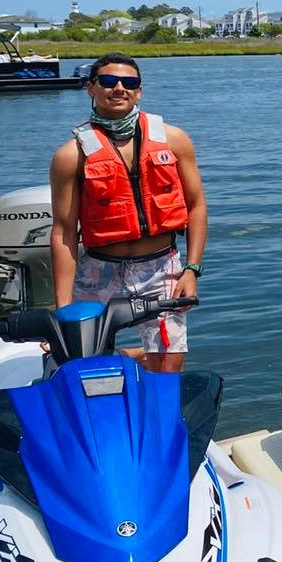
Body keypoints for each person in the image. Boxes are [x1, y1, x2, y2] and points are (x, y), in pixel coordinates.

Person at [50, 53, 207, 372]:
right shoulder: (70, 156)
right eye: (108, 81)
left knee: (168, 363)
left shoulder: (174, 140)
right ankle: (132, 358)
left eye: (129, 82)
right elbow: (64, 233)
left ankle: (153, 399)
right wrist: (62, 309)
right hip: (100, 268)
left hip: (162, 266)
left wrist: (191, 269)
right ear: (91, 88)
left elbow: (196, 205)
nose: (119, 88)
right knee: (81, 361)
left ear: (139, 91)